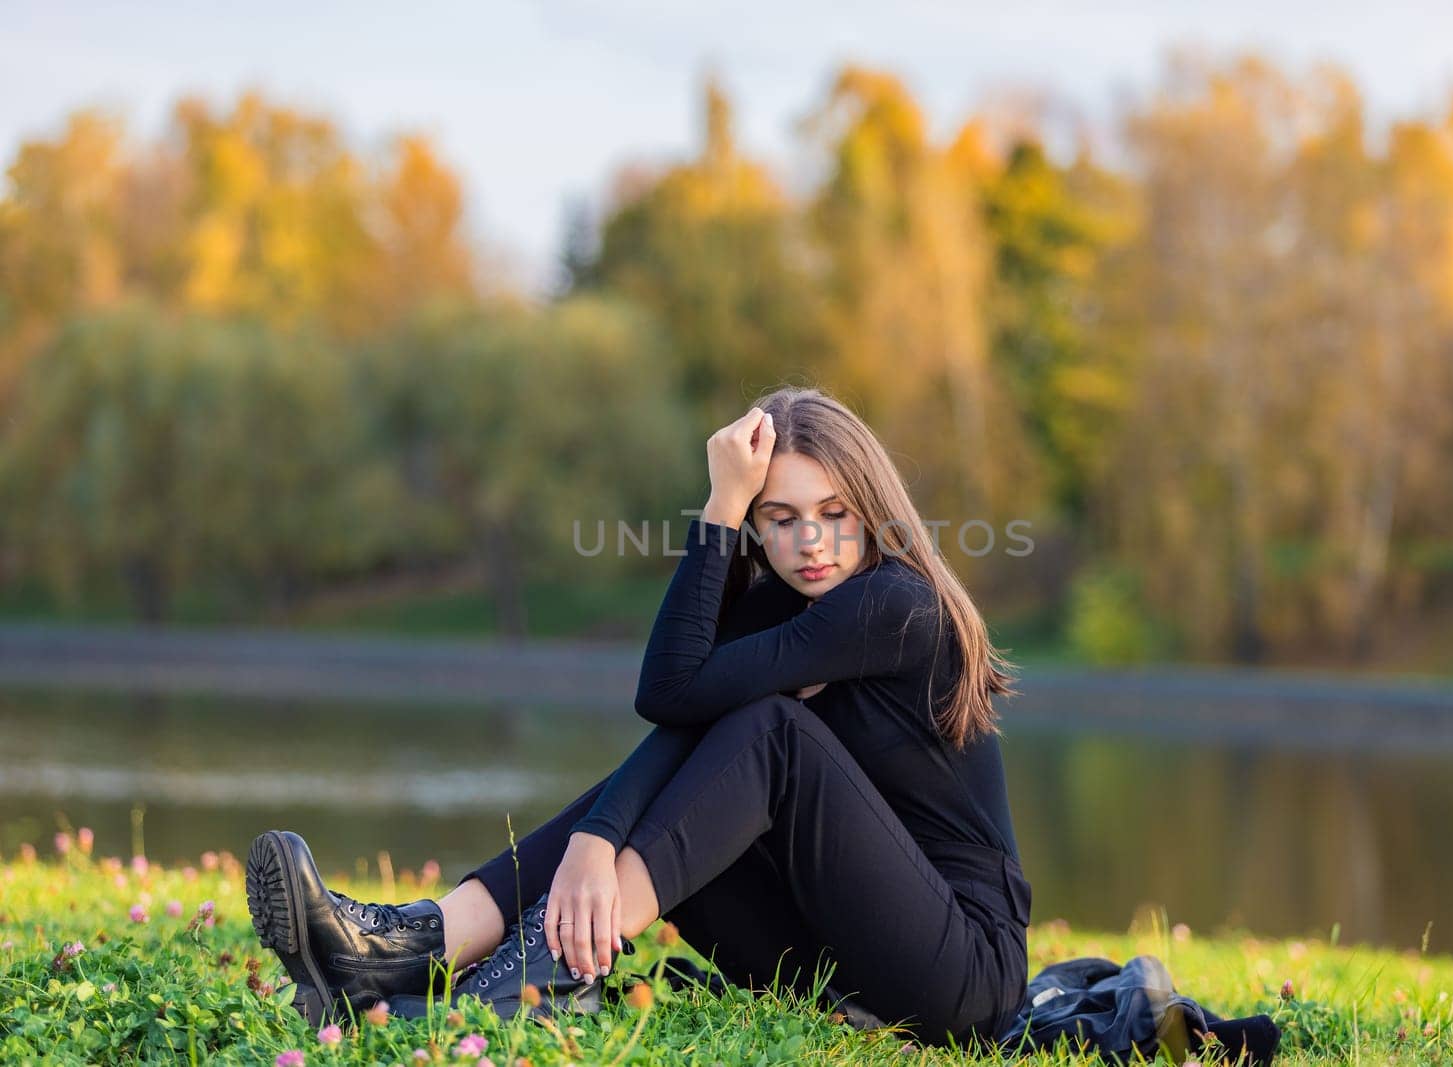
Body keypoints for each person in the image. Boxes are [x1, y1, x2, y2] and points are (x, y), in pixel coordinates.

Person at [245, 385, 1035, 1050]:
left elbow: (680, 700)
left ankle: (525, 980)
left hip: (962, 974)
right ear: (758, 529)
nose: (811, 541)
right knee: (697, 772)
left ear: (872, 509)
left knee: (773, 737)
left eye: (834, 511)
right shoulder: (789, 611)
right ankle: (405, 946)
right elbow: (678, 701)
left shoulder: (895, 604)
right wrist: (599, 833)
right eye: (779, 516)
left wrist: (601, 840)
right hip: (843, 954)